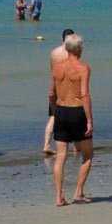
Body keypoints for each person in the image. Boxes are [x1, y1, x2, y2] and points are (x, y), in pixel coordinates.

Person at [49, 35, 93, 205]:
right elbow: (85, 95)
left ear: (66, 48)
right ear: (79, 49)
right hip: (77, 111)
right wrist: (89, 119)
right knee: (88, 154)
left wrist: (55, 112)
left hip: (61, 111)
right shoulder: (83, 68)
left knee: (61, 156)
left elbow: (51, 93)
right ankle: (78, 193)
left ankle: (59, 196)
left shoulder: (57, 67)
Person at [42, 28, 77, 156]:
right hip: (68, 87)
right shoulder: (72, 52)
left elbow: (53, 71)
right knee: (73, 113)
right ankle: (76, 145)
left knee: (53, 115)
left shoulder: (54, 52)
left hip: (55, 85)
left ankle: (46, 144)